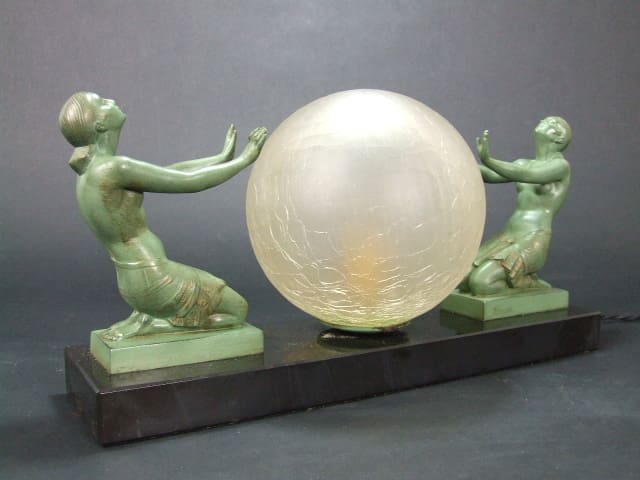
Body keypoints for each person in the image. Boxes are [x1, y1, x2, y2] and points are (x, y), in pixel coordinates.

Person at [59, 92, 267, 341]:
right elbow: (188, 182)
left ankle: (149, 316)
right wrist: (244, 160)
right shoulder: (114, 167)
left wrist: (220, 158)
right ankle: (158, 324)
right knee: (238, 311)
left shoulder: (95, 169)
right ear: (100, 125)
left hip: (134, 283)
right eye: (103, 103)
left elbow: (167, 174)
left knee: (224, 305)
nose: (112, 101)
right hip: (155, 279)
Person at [458, 116, 572, 296]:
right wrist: (459, 161)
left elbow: (526, 175)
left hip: (533, 237)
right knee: (462, 279)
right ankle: (518, 280)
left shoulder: (560, 167)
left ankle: (527, 283)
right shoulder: (523, 163)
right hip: (509, 235)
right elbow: (491, 175)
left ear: (560, 138)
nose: (545, 121)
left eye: (553, 123)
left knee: (481, 283)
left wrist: (489, 159)